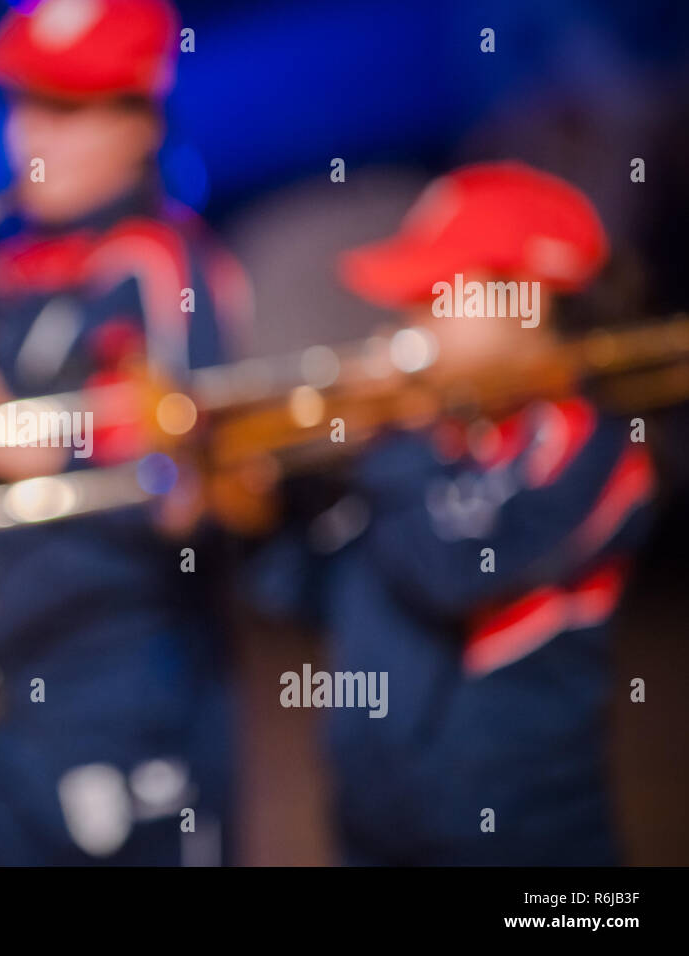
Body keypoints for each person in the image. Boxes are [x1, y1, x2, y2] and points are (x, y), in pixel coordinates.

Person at [0, 0, 255, 865]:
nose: (29, 138)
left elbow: (202, 494)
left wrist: (27, 445)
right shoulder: (4, 266)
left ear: (141, 123)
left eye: (66, 109)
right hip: (9, 681)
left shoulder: (167, 266)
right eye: (25, 104)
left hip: (129, 685)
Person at [248, 161, 656, 865]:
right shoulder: (427, 442)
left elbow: (456, 570)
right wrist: (258, 515)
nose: (413, 317)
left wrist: (392, 436)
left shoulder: (591, 451)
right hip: (375, 829)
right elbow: (306, 595)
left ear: (529, 298)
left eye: (440, 292)